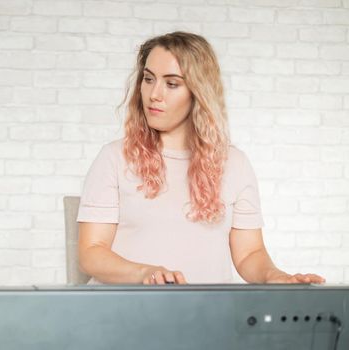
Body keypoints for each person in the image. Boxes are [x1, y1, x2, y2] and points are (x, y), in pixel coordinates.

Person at [76, 32, 325, 285]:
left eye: (172, 84)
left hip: (206, 318)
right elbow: (91, 252)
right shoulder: (113, 158)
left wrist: (277, 277)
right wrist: (145, 274)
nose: (154, 94)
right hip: (126, 316)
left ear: (198, 92)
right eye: (148, 79)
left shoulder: (235, 164)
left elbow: (250, 253)